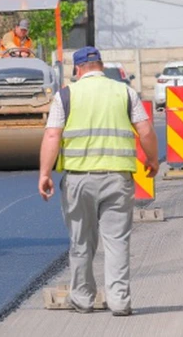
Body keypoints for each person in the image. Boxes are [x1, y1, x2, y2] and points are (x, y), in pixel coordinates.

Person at [37, 46, 159, 317]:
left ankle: (82, 299)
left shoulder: (66, 95)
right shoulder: (124, 92)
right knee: (117, 241)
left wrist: (44, 173)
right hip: (118, 178)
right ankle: (119, 301)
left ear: (78, 70)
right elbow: (146, 130)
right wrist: (152, 159)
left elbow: (52, 136)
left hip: (79, 181)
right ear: (101, 67)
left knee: (81, 241)